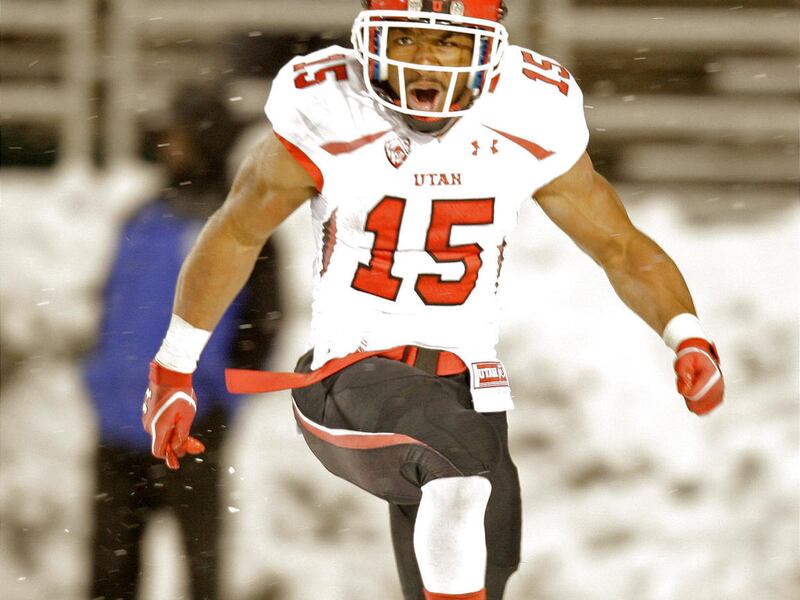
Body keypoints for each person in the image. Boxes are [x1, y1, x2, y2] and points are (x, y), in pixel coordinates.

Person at [141, 2, 725, 599]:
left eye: (445, 42)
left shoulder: (529, 111)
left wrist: (686, 334)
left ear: (486, 53)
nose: (422, 60)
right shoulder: (331, 106)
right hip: (351, 375)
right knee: (456, 475)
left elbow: (620, 245)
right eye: (406, 39)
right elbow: (237, 231)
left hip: (468, 388)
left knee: (479, 555)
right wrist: (174, 367)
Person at [86, 83, 281, 599]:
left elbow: (263, 325)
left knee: (201, 571)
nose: (168, 145)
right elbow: (109, 307)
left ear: (208, 140)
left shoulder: (241, 225)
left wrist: (218, 399)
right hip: (118, 427)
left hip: (193, 426)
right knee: (109, 575)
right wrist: (100, 380)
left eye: (179, 134)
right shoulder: (141, 217)